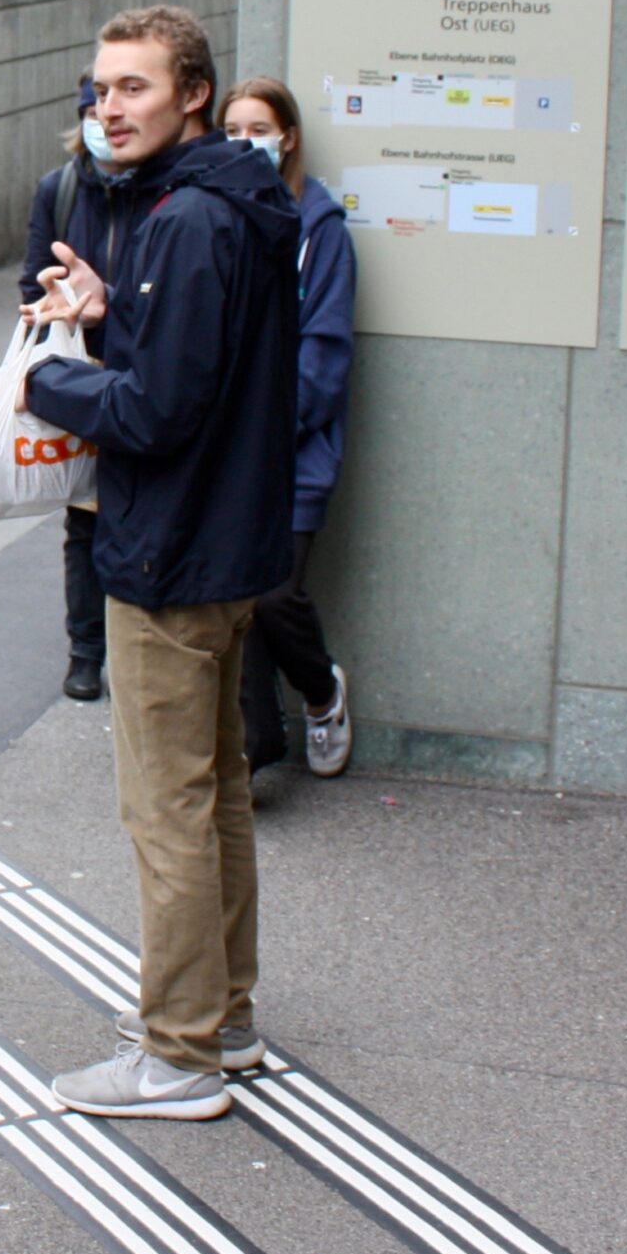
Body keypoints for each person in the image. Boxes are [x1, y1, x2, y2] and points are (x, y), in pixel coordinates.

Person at [20, 7, 299, 1120]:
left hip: (170, 554)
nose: (108, 108)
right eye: (98, 89)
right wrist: (103, 315)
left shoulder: (186, 222)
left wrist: (50, 378)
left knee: (166, 809)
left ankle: (175, 1053)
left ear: (192, 93)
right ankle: (222, 1017)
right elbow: (199, 367)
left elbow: (157, 409)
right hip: (229, 546)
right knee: (218, 790)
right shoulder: (237, 202)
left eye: (132, 87)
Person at [219, 76, 356, 783]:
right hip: (232, 456)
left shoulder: (321, 229)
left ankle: (322, 691)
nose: (246, 144)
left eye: (259, 130)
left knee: (275, 591)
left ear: (289, 136)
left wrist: (271, 429)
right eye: (233, 131)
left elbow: (324, 354)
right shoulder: (219, 219)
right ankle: (254, 742)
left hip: (293, 453)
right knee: (237, 594)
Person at [21, 70, 163, 704]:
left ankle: (132, 635)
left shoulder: (157, 195)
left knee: (131, 506)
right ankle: (85, 651)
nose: (102, 116)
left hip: (135, 372)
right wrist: (60, 309)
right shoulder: (61, 190)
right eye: (91, 105)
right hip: (80, 371)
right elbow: (33, 279)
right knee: (83, 518)